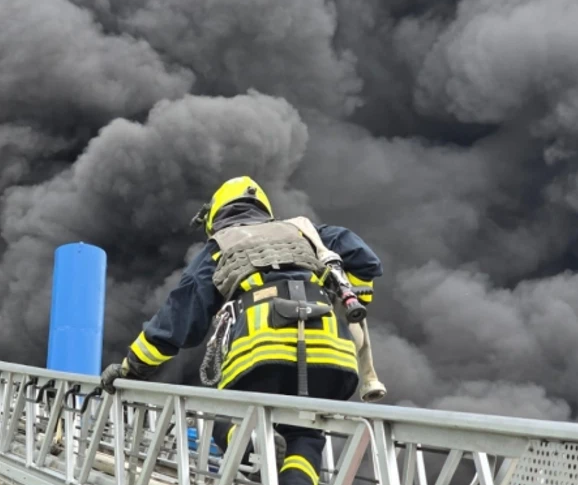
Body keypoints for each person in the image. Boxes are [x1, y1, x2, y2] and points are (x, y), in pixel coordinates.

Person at [100, 176, 383, 485]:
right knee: (305, 435)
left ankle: (256, 448)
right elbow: (365, 259)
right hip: (330, 352)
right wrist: (360, 295)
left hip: (262, 349)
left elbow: (177, 322)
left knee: (224, 417)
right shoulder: (307, 231)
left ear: (216, 216)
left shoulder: (220, 246)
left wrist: (130, 369)